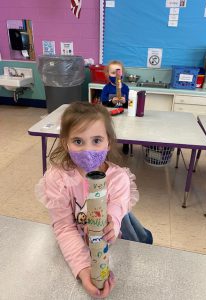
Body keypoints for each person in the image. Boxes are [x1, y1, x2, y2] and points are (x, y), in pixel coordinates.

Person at [35, 102, 152, 299]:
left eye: (97, 140)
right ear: (65, 143)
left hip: (110, 250)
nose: (88, 149)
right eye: (78, 141)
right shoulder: (58, 179)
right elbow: (64, 227)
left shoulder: (118, 179)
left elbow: (115, 215)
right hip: (73, 245)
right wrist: (82, 268)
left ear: (109, 142)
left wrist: (111, 226)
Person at [100, 60, 130, 155]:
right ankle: (107, 144)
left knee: (125, 130)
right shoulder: (106, 88)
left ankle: (126, 144)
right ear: (107, 74)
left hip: (123, 114)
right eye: (113, 73)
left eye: (118, 72)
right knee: (110, 130)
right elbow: (104, 102)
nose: (116, 75)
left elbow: (130, 103)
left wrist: (125, 102)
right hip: (110, 115)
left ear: (122, 73)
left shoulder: (125, 88)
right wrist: (112, 102)